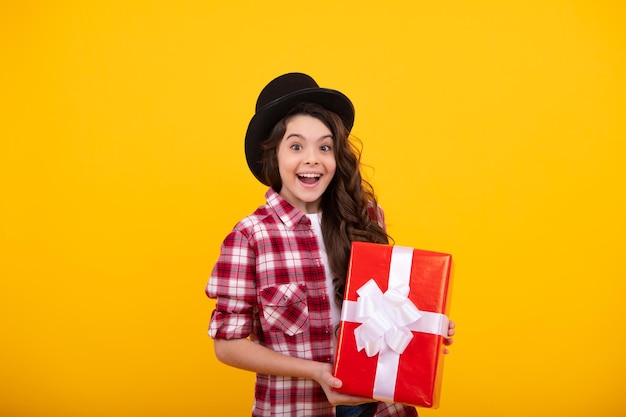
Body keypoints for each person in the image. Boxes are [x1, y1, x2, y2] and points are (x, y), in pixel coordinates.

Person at [205, 73, 455, 417]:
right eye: (296, 146)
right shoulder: (251, 237)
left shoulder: (366, 216)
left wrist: (425, 326)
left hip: (382, 405)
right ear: (272, 156)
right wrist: (315, 372)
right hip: (300, 408)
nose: (312, 159)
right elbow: (227, 345)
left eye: (324, 146)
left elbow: (389, 305)